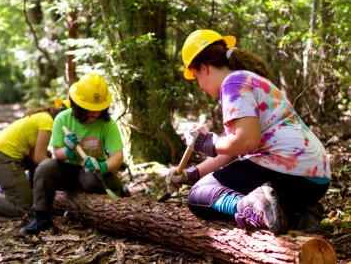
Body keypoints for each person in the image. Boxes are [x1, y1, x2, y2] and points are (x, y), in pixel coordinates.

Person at [166, 30, 331, 235]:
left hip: (289, 170)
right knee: (202, 184)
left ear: (203, 68)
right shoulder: (248, 80)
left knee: (199, 194)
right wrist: (190, 174)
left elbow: (247, 142)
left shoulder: (233, 83)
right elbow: (233, 151)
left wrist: (208, 142)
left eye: (196, 77)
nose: (199, 85)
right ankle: (300, 211)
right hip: (315, 180)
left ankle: (251, 207)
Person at [20, 73, 126, 235]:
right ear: (77, 104)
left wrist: (103, 165)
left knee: (90, 180)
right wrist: (68, 151)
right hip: (66, 169)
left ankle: (119, 189)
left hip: (92, 171)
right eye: (88, 108)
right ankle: (41, 217)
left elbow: (117, 156)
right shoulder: (63, 119)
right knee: (45, 168)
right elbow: (57, 153)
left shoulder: (107, 124)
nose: (94, 113)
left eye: (98, 109)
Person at [0, 99, 70, 223]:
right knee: (23, 208)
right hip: (4, 160)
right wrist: (60, 175)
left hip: (1, 156)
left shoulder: (42, 117)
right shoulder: (47, 122)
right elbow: (39, 158)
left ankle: (31, 191)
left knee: (48, 155)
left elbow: (35, 156)